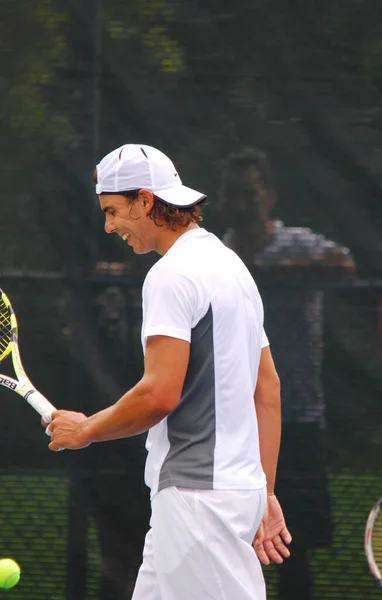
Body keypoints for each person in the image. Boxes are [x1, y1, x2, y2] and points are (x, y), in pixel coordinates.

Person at [43, 143, 292, 600]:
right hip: (226, 494)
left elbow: (159, 394)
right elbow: (268, 389)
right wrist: (265, 493)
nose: (109, 225)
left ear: (144, 199)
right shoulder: (231, 266)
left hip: (199, 504)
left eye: (113, 211)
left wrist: (86, 429)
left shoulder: (171, 275)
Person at [219, 147, 355, 600]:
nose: (244, 202)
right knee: (226, 540)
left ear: (269, 196)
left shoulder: (296, 243)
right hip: (230, 419)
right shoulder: (218, 253)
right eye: (235, 194)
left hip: (296, 415)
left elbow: (343, 264)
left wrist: (274, 272)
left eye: (252, 192)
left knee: (292, 544)